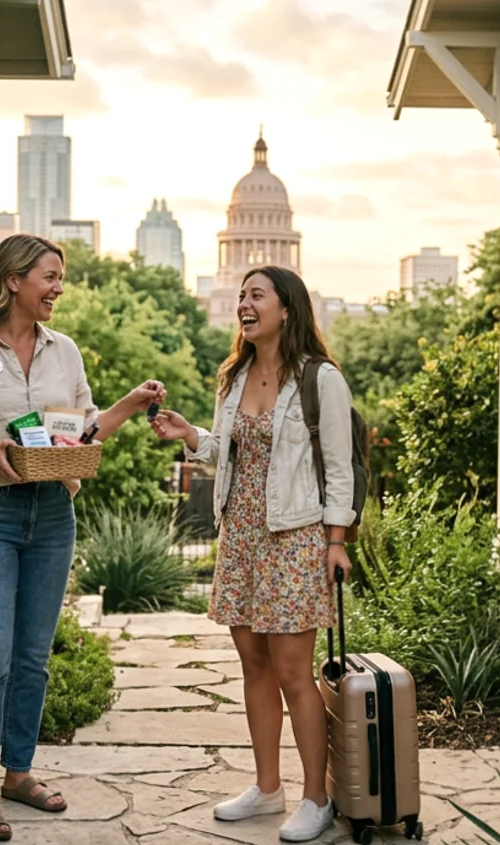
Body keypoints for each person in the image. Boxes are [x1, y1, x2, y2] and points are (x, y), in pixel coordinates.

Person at [0, 233, 164, 842]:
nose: (59, 287)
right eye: (50, 277)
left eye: (60, 277)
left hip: (53, 512)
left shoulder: (66, 351)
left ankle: (19, 773)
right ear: (13, 281)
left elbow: (79, 430)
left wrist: (130, 405)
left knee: (33, 658)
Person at [151, 265, 355, 843]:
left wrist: (335, 542)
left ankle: (316, 798)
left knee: (294, 673)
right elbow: (226, 451)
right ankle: (268, 788)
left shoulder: (320, 381)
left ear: (285, 308)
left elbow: (338, 472)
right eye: (241, 295)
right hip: (240, 534)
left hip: (295, 538)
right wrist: (190, 435)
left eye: (256, 294)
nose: (244, 302)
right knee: (254, 667)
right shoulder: (234, 376)